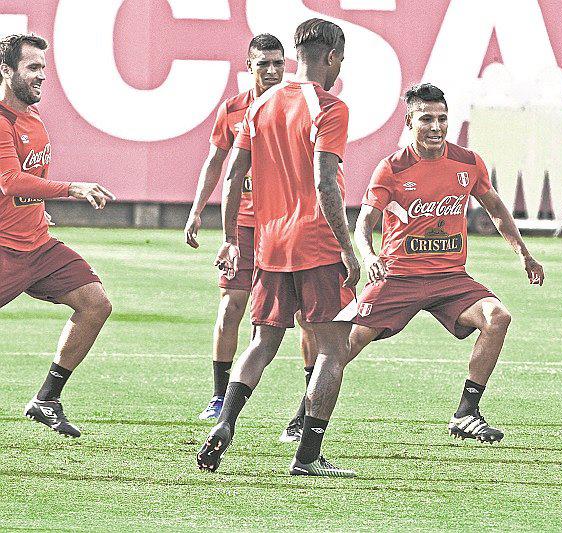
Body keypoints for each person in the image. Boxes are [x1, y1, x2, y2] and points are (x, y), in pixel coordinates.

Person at [197, 18, 360, 477]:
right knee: (332, 348)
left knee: (263, 341)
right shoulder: (330, 106)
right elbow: (326, 183)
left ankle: (225, 422)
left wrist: (231, 238)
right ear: (331, 57)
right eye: (341, 59)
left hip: (269, 245)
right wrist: (349, 249)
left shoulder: (261, 103)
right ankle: (307, 456)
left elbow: (232, 177)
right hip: (318, 244)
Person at [343, 83, 543, 450]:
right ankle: (303, 416)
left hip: (450, 279)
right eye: (426, 119)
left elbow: (496, 209)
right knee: (346, 344)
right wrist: (370, 257)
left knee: (497, 317)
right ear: (409, 122)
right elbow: (363, 222)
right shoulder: (391, 168)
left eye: (442, 119)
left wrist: (523, 254)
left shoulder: (467, 162)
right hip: (399, 277)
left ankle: (466, 413)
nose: (435, 127)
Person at [183, 34, 315, 439]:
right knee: (232, 306)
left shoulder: (299, 107)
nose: (273, 71)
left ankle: (306, 408)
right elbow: (216, 163)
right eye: (264, 65)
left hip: (284, 224)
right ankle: (220, 397)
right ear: (249, 65)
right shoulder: (235, 109)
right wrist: (196, 210)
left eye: (279, 63)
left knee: (302, 318)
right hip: (242, 225)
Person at [0, 33, 115, 437]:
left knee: (95, 303)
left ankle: (47, 398)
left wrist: (40, 208)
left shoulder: (34, 122)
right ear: (6, 71)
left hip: (38, 247)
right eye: (32, 68)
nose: (41, 77)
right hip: (4, 250)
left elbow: (27, 186)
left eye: (43, 69)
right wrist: (72, 189)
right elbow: (11, 181)